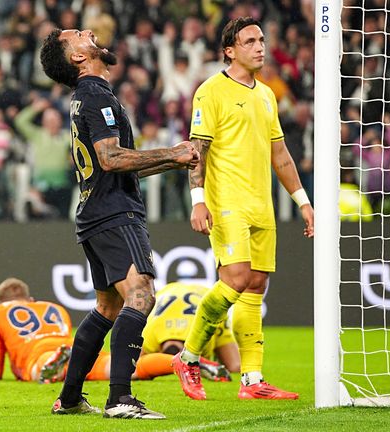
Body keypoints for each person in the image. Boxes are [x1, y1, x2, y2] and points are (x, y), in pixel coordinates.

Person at [39, 28, 199, 419]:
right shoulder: (95, 95)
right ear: (78, 57)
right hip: (114, 212)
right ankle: (121, 399)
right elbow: (111, 159)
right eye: (79, 34)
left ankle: (72, 396)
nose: (89, 32)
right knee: (141, 294)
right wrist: (172, 152)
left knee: (108, 306)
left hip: (95, 210)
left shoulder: (86, 98)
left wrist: (174, 159)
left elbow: (115, 167)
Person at [172, 17, 315, 402]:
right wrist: (198, 200)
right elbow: (195, 151)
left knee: (255, 286)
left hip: (261, 204)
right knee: (234, 278)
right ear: (230, 51)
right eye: (250, 41)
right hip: (227, 201)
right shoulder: (210, 91)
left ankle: (252, 380)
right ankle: (188, 357)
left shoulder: (267, 95)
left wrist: (303, 201)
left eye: (262, 40)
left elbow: (280, 154)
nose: (260, 47)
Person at [0, 278, 196, 383]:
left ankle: (52, 365)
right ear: (29, 299)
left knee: (39, 369)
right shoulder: (53, 308)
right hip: (78, 351)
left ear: (1, 302)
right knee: (129, 367)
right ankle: (185, 361)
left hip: (38, 354)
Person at [143, 282, 239, 380]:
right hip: (205, 300)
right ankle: (194, 363)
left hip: (202, 305)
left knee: (132, 366)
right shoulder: (149, 333)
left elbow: (134, 368)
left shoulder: (148, 335)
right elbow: (235, 366)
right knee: (235, 366)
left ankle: (189, 363)